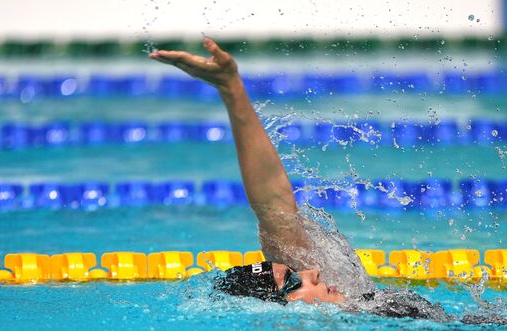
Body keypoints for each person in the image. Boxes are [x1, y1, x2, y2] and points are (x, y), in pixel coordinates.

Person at [149, 38, 506, 325]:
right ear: (279, 315)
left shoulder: (355, 304)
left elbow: (274, 205)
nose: (313, 271)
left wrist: (232, 88)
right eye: (293, 281)